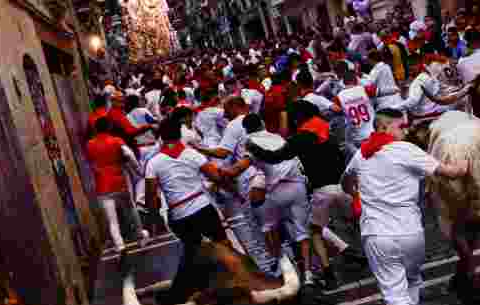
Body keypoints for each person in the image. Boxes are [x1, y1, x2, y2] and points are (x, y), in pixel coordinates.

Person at [340, 108, 469, 305]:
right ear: (386, 128)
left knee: (394, 295)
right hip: (412, 234)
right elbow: (451, 172)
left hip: (378, 236)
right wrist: (466, 164)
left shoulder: (361, 154)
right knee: (411, 283)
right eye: (401, 126)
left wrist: (356, 192)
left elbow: (345, 182)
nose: (405, 131)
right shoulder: (406, 150)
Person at [245, 100, 353, 290]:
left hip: (321, 190)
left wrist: (254, 149)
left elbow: (274, 157)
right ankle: (363, 252)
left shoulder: (299, 138)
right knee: (360, 221)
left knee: (314, 231)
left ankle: (327, 274)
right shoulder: (326, 128)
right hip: (345, 186)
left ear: (297, 118)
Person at [221, 114, 313, 283]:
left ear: (246, 130)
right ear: (262, 124)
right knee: (302, 233)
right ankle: (308, 274)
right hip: (297, 185)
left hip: (275, 190)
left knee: (268, 227)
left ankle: (281, 266)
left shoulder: (250, 143)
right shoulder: (276, 136)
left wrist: (220, 173)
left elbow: (237, 169)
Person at [144, 117, 229, 264]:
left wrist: (154, 220)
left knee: (195, 254)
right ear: (179, 134)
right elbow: (216, 177)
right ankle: (238, 277)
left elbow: (151, 196)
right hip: (203, 208)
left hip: (179, 216)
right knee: (225, 245)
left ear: (161, 137)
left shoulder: (153, 163)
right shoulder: (192, 154)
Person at [85, 116, 149, 252]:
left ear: (96, 129)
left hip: (102, 186)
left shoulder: (89, 144)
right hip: (119, 183)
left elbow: (91, 163)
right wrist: (138, 170)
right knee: (130, 209)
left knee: (112, 219)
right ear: (109, 127)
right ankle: (140, 235)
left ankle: (120, 246)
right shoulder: (116, 141)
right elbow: (130, 155)